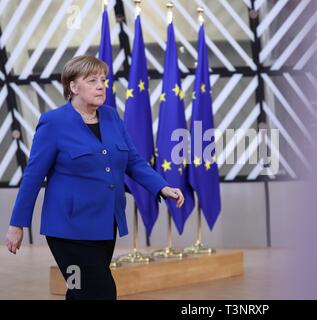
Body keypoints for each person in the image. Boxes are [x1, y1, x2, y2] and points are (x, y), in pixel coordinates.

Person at [4, 55, 184, 300]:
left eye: (103, 80)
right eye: (92, 81)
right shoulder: (54, 122)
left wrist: (162, 187)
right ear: (73, 87)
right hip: (69, 230)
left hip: (104, 226)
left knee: (80, 291)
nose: (101, 86)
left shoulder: (111, 117)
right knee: (100, 292)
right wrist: (17, 224)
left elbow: (133, 161)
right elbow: (33, 177)